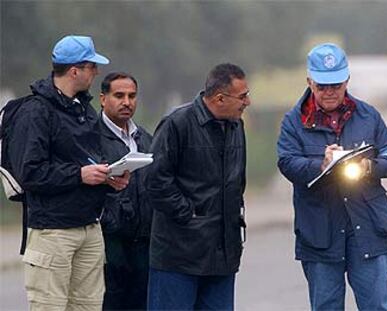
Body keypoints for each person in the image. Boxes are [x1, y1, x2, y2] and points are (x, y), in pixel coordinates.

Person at [8, 35, 129, 310]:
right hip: (52, 232)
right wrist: (79, 175)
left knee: (89, 307)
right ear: (75, 70)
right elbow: (30, 173)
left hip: (89, 226)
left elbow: (88, 160)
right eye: (91, 67)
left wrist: (108, 178)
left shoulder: (83, 110)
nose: (96, 72)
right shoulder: (36, 111)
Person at [277, 43, 387, 310]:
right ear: (310, 81)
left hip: (367, 228)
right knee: (326, 306)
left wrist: (369, 167)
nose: (330, 92)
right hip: (320, 233)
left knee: (378, 305)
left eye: (336, 85)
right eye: (322, 86)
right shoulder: (293, 122)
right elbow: (286, 163)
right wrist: (320, 165)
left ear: (347, 79)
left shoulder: (369, 116)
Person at [145, 63, 250, 310]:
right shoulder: (176, 123)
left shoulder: (236, 126)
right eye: (243, 96)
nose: (248, 102)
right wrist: (188, 214)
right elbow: (155, 180)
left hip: (223, 255)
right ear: (220, 98)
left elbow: (237, 181)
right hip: (178, 255)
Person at [98, 72, 153, 310]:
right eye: (119, 95)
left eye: (132, 96)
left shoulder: (145, 139)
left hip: (144, 243)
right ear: (103, 98)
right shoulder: (90, 137)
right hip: (109, 244)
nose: (127, 102)